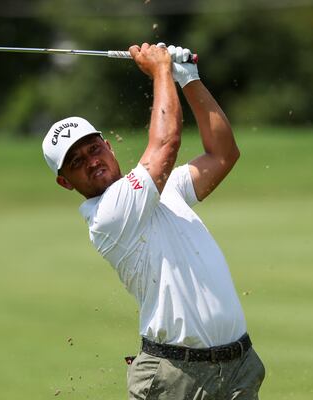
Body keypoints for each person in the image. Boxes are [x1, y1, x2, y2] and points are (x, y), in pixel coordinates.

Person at [41, 42, 265, 400]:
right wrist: (162, 70)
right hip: (175, 378)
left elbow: (222, 154)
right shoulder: (109, 215)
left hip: (237, 370)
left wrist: (189, 78)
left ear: (108, 147)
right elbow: (166, 144)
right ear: (65, 181)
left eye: (93, 148)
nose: (91, 160)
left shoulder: (160, 190)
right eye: (76, 161)